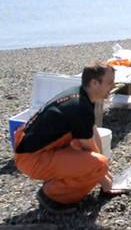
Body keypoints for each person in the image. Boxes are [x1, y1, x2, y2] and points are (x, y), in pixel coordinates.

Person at [14, 62, 115, 214]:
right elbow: (90, 149)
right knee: (97, 165)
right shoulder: (80, 107)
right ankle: (52, 197)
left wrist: (104, 168)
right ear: (94, 83)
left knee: (96, 161)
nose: (113, 86)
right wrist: (104, 177)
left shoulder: (81, 95)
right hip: (31, 159)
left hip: (30, 147)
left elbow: (92, 131)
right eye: (110, 83)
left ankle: (59, 181)